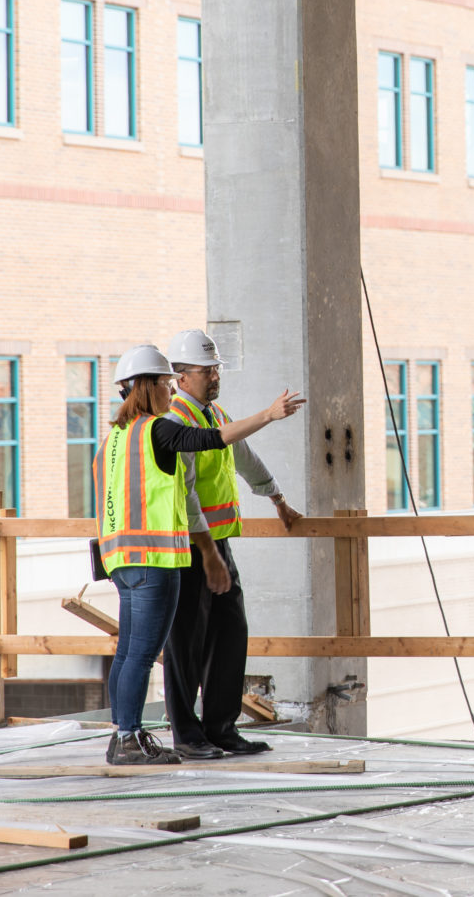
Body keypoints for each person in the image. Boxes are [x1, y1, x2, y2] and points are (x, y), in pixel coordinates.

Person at [94, 344, 304, 765]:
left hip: (127, 557)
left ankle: (137, 736)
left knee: (138, 651)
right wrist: (267, 415)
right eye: (167, 382)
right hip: (162, 556)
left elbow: (230, 451)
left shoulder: (120, 435)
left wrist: (274, 495)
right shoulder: (162, 427)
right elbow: (206, 447)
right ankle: (142, 738)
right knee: (161, 650)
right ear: (151, 385)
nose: (171, 390)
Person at [161, 328, 302, 759]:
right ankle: (188, 736)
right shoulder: (176, 423)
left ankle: (221, 728)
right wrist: (207, 554)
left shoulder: (214, 415)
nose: (215, 376)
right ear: (182, 378)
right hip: (189, 548)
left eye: (217, 368)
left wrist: (277, 498)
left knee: (229, 634)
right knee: (186, 643)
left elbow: (243, 456)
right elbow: (185, 494)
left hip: (218, 544)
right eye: (207, 370)